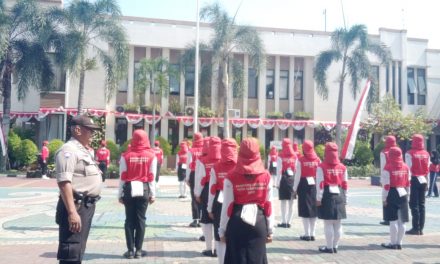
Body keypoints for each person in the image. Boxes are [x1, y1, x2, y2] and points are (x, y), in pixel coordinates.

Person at [55, 114, 102, 264]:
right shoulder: (68, 150)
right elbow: (64, 182)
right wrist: (72, 212)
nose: (92, 134)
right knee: (71, 252)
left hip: (85, 206)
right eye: (89, 130)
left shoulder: (82, 150)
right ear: (77, 130)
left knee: (78, 251)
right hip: (76, 206)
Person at [219, 138, 274, 264]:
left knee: (236, 258)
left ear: (240, 153)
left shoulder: (231, 176)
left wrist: (221, 230)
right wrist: (270, 229)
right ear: (257, 153)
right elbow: (269, 205)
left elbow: (227, 207)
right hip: (258, 222)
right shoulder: (266, 176)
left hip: (237, 222)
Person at [118, 129, 156, 259]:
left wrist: (119, 194)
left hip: (129, 189)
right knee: (141, 220)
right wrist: (153, 194)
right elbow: (152, 176)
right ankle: (139, 250)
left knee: (129, 220)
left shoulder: (125, 155)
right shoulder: (151, 155)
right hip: (144, 189)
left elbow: (122, 176)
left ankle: (130, 250)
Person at [208, 138, 238, 264]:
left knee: (220, 234)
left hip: (220, 201)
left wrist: (209, 208)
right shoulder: (240, 165)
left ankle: (221, 261)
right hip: (237, 201)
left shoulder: (216, 166)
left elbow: (212, 189)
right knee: (234, 234)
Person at [316, 142, 348, 254]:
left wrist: (318, 198)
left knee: (328, 223)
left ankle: (329, 247)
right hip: (340, 194)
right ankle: (335, 246)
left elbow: (320, 184)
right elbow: (345, 184)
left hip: (327, 195)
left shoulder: (321, 167)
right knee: (338, 223)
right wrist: (346, 199)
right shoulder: (343, 167)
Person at [195, 136, 221, 257]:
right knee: (219, 220)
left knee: (206, 221)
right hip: (222, 192)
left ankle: (208, 248)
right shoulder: (225, 160)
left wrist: (197, 193)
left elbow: (200, 178)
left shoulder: (202, 160)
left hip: (206, 190)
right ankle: (217, 249)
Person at [381, 147, 410, 250]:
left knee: (393, 220)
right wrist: (408, 195)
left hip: (392, 193)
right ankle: (399, 243)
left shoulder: (387, 168)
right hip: (403, 193)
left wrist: (384, 199)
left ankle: (393, 243)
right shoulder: (406, 167)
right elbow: (408, 183)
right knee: (402, 221)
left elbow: (386, 186)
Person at [293, 140, 320, 241]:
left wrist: (294, 189)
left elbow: (297, 176)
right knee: (314, 209)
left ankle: (306, 234)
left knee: (305, 209)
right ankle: (313, 234)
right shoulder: (318, 160)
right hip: (315, 185)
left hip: (303, 185)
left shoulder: (300, 160)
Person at [405, 134, 430, 235]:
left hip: (414, 180)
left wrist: (407, 184)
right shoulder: (426, 154)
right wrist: (427, 182)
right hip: (423, 179)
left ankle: (415, 228)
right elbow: (428, 169)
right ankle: (421, 228)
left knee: (413, 204)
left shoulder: (409, 153)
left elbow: (408, 169)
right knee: (422, 204)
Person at [275, 138, 297, 228]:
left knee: (283, 202)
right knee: (292, 202)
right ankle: (289, 222)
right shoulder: (295, 156)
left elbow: (279, 170)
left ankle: (283, 221)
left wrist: (277, 183)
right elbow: (296, 169)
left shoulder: (280, 156)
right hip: (292, 179)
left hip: (283, 179)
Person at [186, 132, 204, 227]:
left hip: (193, 174)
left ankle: (195, 219)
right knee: (202, 196)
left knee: (194, 197)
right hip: (203, 174)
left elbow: (189, 165)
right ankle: (202, 218)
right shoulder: (206, 149)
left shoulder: (191, 150)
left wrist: (187, 178)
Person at [379, 136, 397, 225]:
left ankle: (387, 218)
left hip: (387, 175)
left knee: (385, 197)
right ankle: (394, 218)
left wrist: (381, 179)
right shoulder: (398, 150)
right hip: (397, 177)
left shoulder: (384, 152)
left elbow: (383, 166)